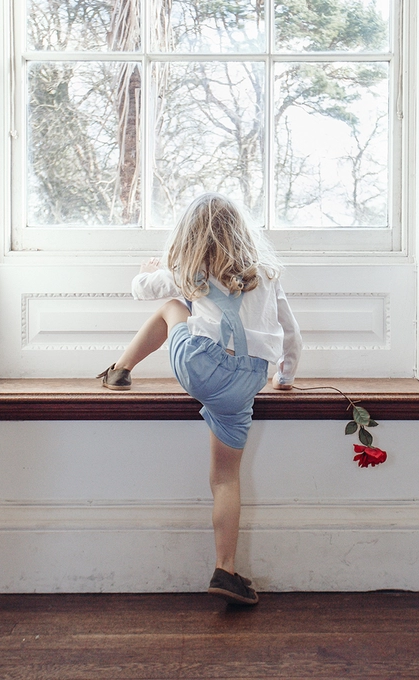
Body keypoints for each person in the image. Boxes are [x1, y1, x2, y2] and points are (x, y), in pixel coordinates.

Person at [96, 193, 302, 605]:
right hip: (248, 382)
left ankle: (119, 370)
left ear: (190, 235)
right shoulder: (265, 274)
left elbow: (141, 291)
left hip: (200, 366)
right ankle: (225, 569)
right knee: (225, 480)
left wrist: (146, 271)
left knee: (174, 307)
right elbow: (292, 333)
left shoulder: (190, 268)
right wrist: (285, 376)